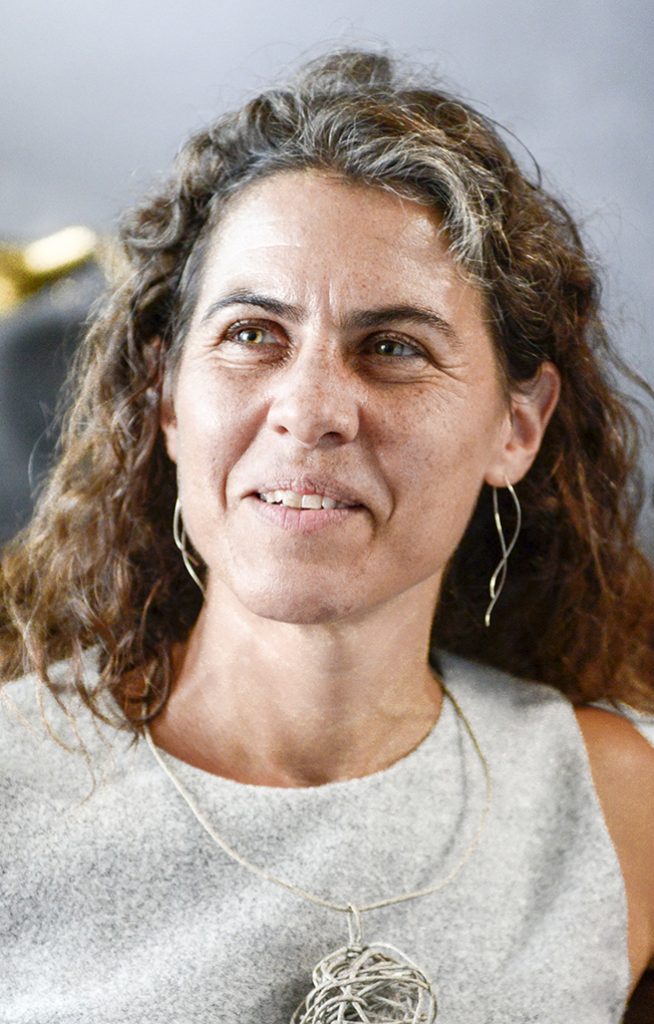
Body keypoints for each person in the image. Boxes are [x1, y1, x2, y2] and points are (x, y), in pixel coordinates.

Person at [1, 49, 653, 1024]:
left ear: (517, 427)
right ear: (168, 398)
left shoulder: (622, 805)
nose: (308, 411)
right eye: (251, 334)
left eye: (392, 347)